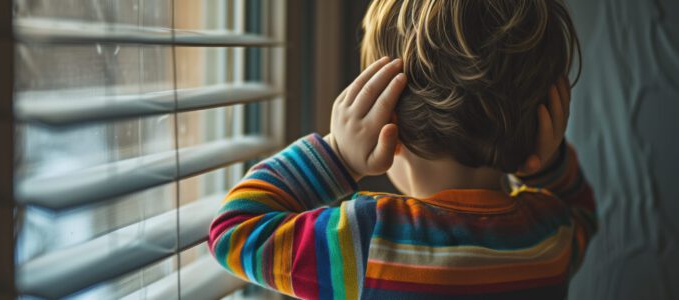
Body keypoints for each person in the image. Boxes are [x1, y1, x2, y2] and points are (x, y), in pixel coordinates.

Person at [208, 0, 597, 299]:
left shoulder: (371, 241)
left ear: (387, 123)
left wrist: (337, 157)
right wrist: (545, 166)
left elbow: (233, 232)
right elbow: (581, 209)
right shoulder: (548, 235)